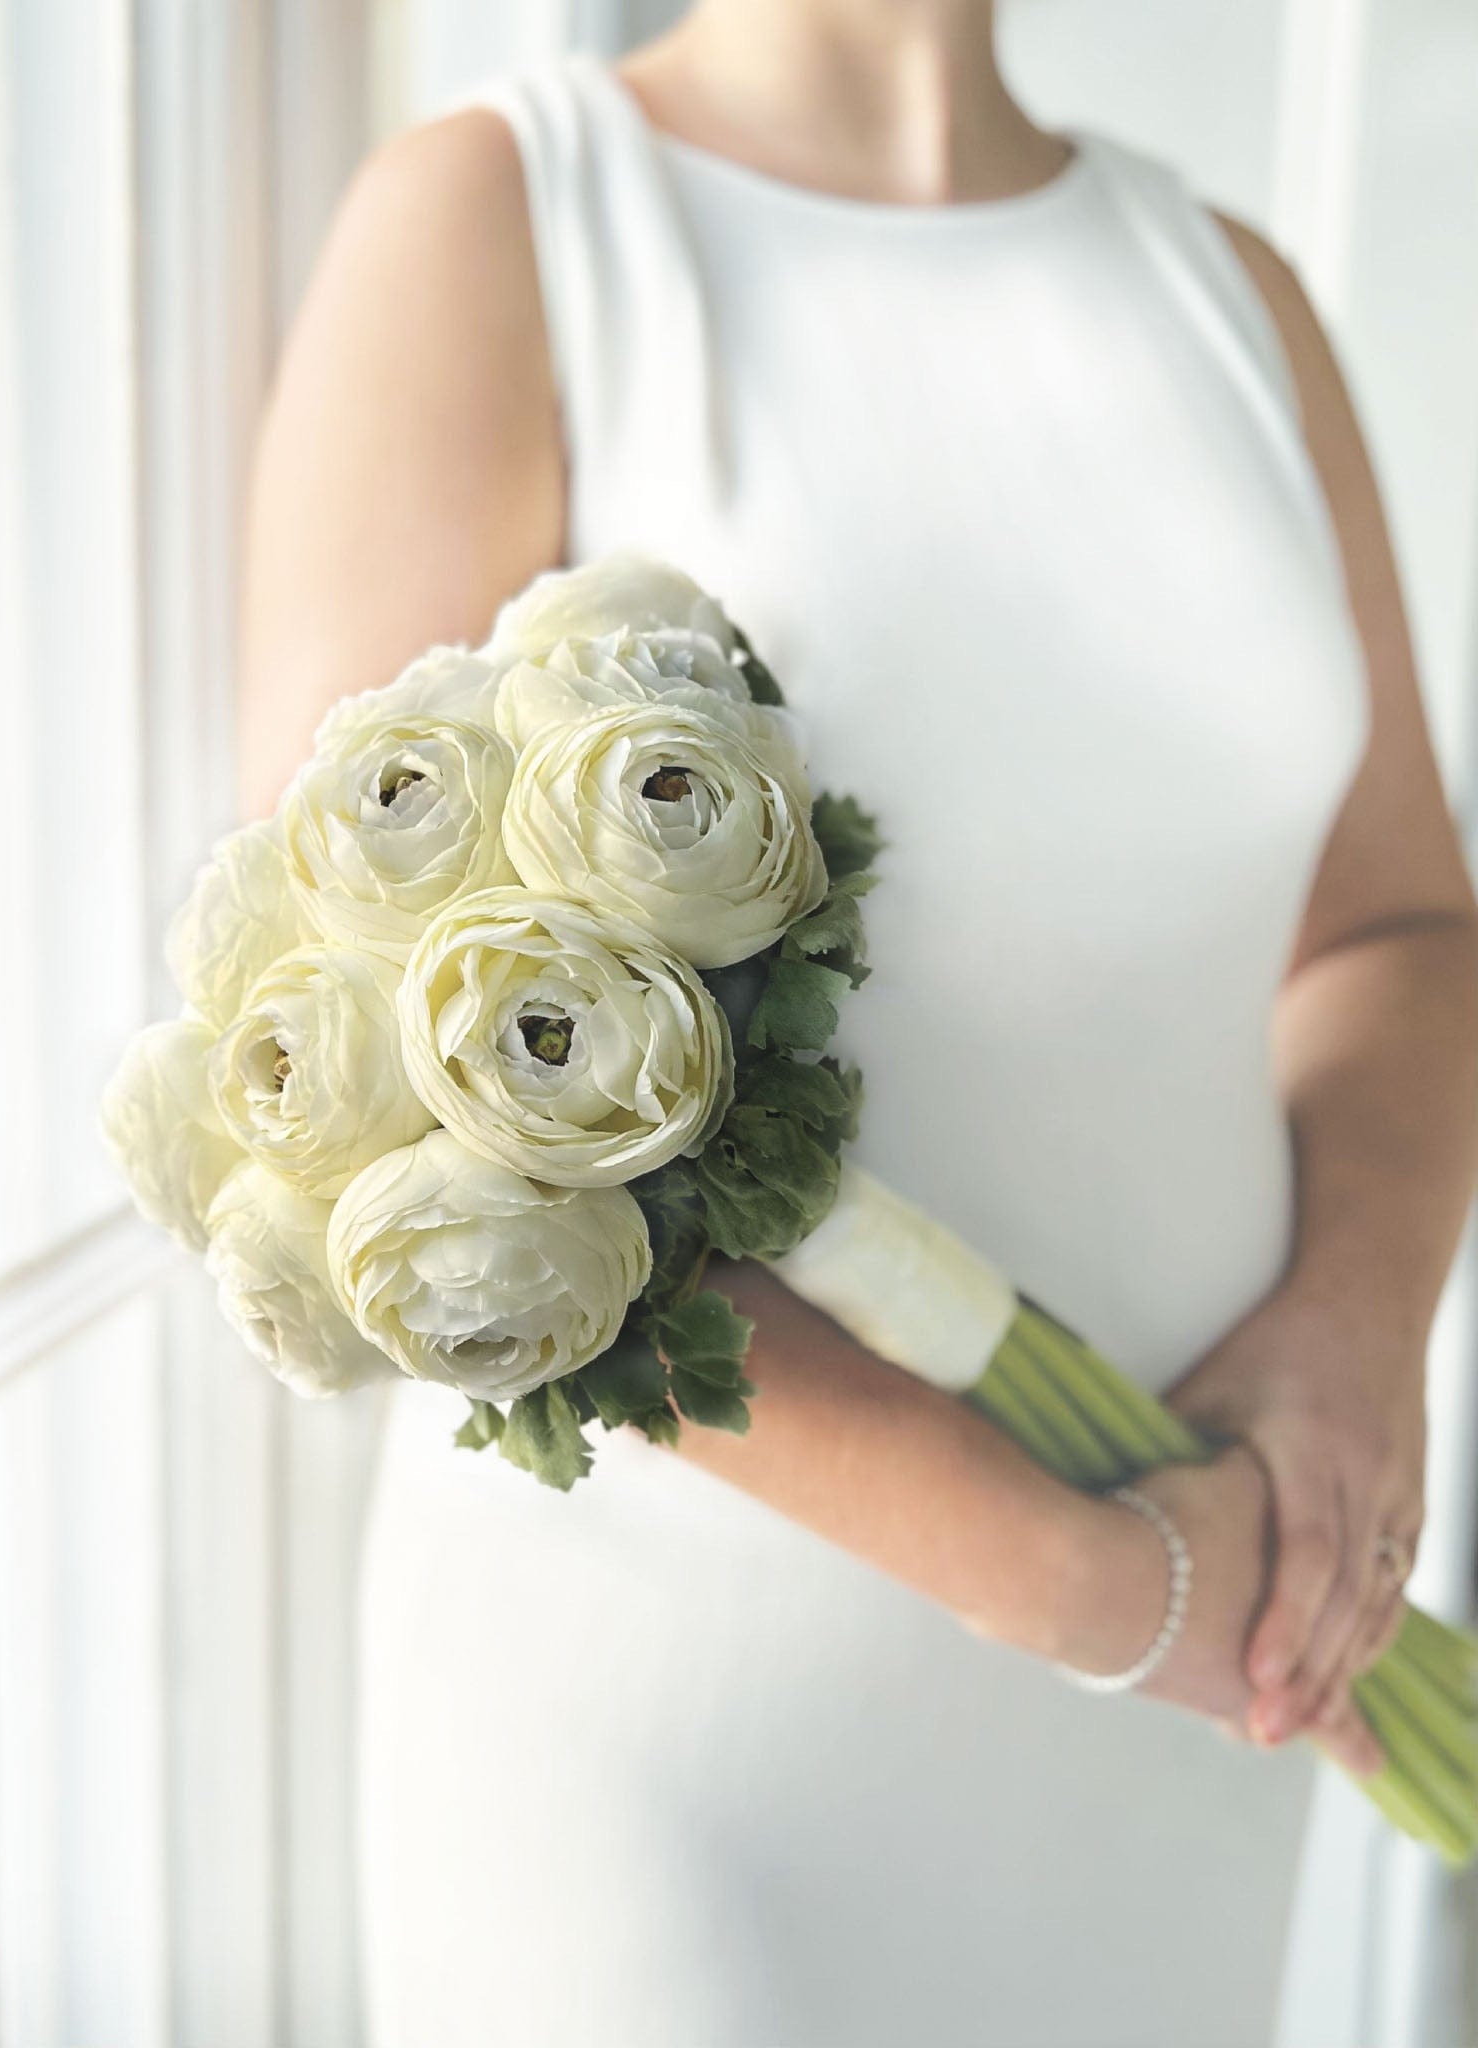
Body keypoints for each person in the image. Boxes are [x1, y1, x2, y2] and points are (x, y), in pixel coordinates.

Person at [239, 3, 1478, 2040]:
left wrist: (1351, 1345)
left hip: (1196, 1711)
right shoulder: (500, 219)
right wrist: (1080, 1586)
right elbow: (388, 1103)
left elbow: (1397, 925)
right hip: (685, 1775)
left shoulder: (1233, 297)